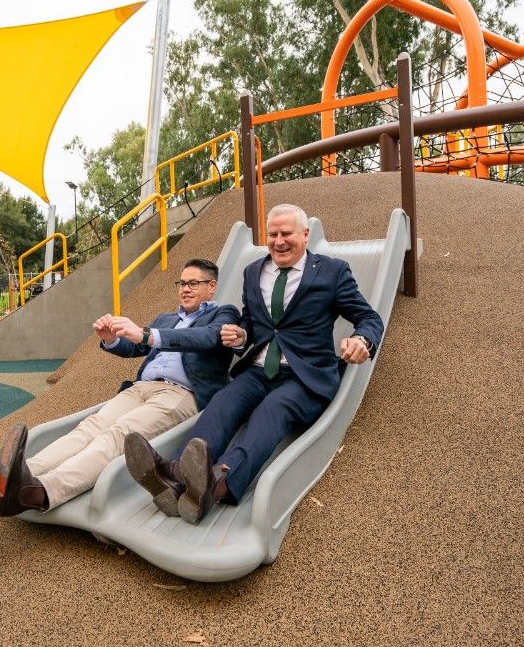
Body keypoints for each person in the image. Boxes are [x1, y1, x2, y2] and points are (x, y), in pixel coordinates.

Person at [125, 204, 385, 525]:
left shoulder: (332, 272)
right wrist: (242, 333)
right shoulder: (253, 272)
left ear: (305, 235)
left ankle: (219, 483)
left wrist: (362, 340)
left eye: (286, 233)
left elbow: (368, 317)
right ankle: (178, 475)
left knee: (272, 409)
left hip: (304, 378)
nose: (278, 241)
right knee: (223, 402)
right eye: (272, 234)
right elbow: (253, 322)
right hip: (259, 370)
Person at [0, 258, 241, 517]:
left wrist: (147, 334)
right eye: (182, 283)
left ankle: (40, 491)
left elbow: (205, 339)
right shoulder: (166, 318)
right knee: (90, 428)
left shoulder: (223, 314)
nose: (185, 289)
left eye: (193, 283)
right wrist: (111, 339)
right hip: (141, 388)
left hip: (180, 394)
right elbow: (135, 346)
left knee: (116, 437)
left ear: (211, 286)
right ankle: (10, 475)